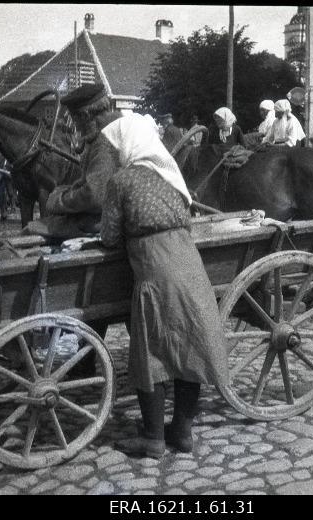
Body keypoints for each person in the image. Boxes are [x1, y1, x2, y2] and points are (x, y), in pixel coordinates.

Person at [99, 113, 228, 458]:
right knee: (192, 345)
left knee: (152, 349)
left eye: (114, 147)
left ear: (127, 145)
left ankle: (154, 439)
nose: (112, 153)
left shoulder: (122, 181)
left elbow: (110, 236)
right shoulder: (170, 175)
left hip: (156, 266)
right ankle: (182, 432)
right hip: (189, 262)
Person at [43, 83, 121, 236]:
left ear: (85, 116)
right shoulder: (114, 129)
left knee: (35, 229)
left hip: (108, 223)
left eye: (74, 119)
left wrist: (58, 201)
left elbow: (94, 196)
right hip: (113, 215)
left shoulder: (105, 141)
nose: (76, 127)